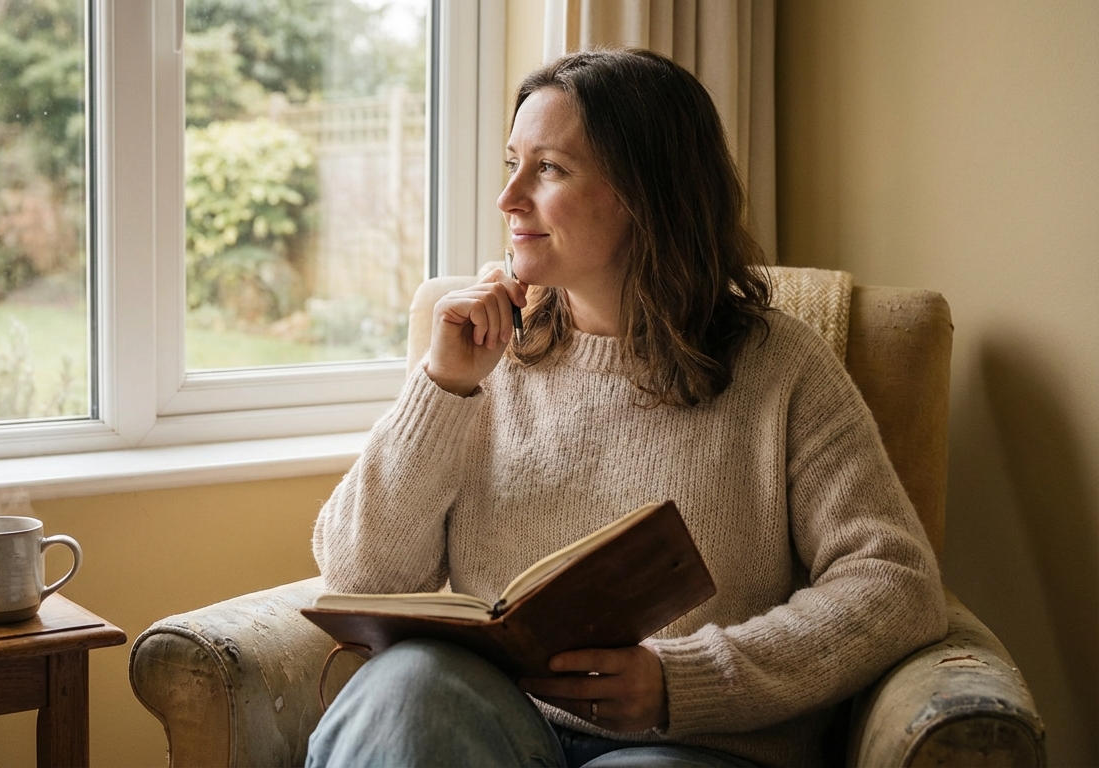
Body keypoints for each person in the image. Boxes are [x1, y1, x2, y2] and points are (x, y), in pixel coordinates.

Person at [307, 48, 947, 768]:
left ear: (647, 190)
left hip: (686, 746)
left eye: (548, 168)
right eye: (511, 162)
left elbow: (894, 582)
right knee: (408, 687)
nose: (509, 197)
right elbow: (359, 579)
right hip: (496, 731)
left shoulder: (781, 366)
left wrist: (684, 680)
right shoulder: (483, 352)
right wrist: (444, 387)